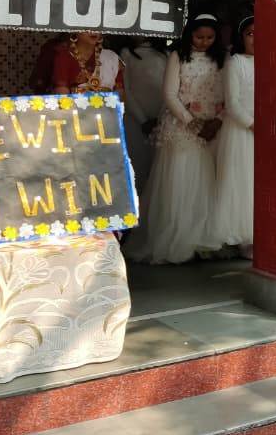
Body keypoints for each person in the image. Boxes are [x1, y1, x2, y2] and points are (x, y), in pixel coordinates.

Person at [126, 14, 226, 264]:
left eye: (209, 37)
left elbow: (228, 93)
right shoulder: (177, 56)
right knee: (181, 182)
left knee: (208, 182)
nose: (204, 42)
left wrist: (217, 121)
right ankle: (180, 240)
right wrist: (192, 123)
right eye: (199, 37)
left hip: (212, 127)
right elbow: (170, 94)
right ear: (189, 34)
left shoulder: (222, 58)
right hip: (182, 128)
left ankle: (203, 240)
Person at [211, 16, 255, 258]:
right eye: (250, 34)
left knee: (257, 182)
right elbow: (232, 102)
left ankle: (259, 233)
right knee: (240, 181)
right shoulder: (235, 63)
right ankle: (241, 237)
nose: (256, 39)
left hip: (265, 131)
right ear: (241, 37)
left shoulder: (273, 60)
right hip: (241, 130)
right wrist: (252, 124)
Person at [118, 38, 167, 193]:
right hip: (134, 118)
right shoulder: (126, 53)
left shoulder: (166, 54)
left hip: (161, 118)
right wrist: (143, 120)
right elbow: (126, 89)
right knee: (136, 162)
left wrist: (161, 117)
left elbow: (169, 89)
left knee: (157, 166)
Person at [48, 31, 125, 96]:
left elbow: (120, 95)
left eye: (97, 27)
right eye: (87, 26)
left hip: (108, 109)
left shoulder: (111, 57)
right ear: (75, 30)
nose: (93, 31)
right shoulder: (64, 57)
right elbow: (62, 95)